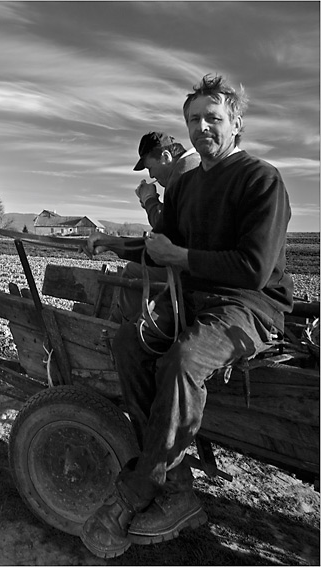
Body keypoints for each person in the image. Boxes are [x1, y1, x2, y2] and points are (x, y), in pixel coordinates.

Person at [81, 74, 293, 558]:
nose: (202, 127)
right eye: (194, 119)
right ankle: (177, 488)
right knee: (130, 346)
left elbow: (254, 269)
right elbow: (162, 249)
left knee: (184, 360)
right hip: (194, 302)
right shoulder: (186, 186)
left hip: (249, 308)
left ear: (236, 124)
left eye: (213, 118)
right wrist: (112, 243)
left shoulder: (261, 180)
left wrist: (179, 258)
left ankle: (136, 491)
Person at [109, 133, 201, 324]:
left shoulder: (184, 171)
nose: (151, 175)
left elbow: (164, 226)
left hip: (194, 269)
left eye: (151, 167)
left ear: (166, 157)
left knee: (132, 272)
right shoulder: (194, 165)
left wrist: (149, 199)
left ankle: (125, 327)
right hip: (198, 261)